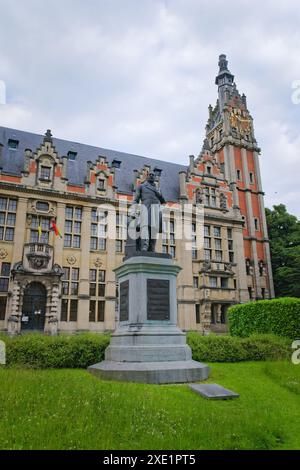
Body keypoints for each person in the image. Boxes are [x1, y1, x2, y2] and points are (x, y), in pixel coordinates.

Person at [132, 172, 165, 252]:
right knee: (145, 227)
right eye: (150, 175)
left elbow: (163, 201)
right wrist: (134, 211)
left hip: (156, 210)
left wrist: (159, 194)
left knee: (154, 230)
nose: (151, 176)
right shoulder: (141, 186)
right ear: (147, 176)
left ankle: (152, 248)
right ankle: (145, 246)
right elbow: (136, 200)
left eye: (153, 175)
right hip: (146, 208)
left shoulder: (158, 189)